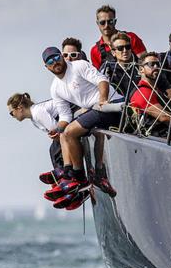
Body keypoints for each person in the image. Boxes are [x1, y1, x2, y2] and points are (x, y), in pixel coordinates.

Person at [41, 47, 119, 210]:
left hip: (108, 107)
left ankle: (78, 176)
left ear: (62, 57)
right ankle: (69, 176)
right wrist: (57, 128)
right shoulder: (55, 87)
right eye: (49, 61)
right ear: (46, 67)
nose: (54, 62)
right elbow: (65, 116)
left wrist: (103, 100)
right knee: (64, 132)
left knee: (70, 133)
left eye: (56, 57)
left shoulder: (78, 66)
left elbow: (102, 80)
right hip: (92, 111)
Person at [6, 92, 67, 184]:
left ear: (20, 108)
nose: (12, 116)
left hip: (70, 112)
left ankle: (66, 176)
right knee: (54, 149)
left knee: (55, 150)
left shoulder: (37, 112)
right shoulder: (33, 119)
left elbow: (57, 131)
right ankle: (62, 177)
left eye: (11, 113)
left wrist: (54, 136)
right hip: (61, 120)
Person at [89, 4, 146, 70]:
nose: (106, 25)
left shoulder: (131, 37)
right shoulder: (95, 50)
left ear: (115, 22)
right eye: (102, 22)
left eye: (110, 21)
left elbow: (145, 63)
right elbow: (98, 76)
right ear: (97, 23)